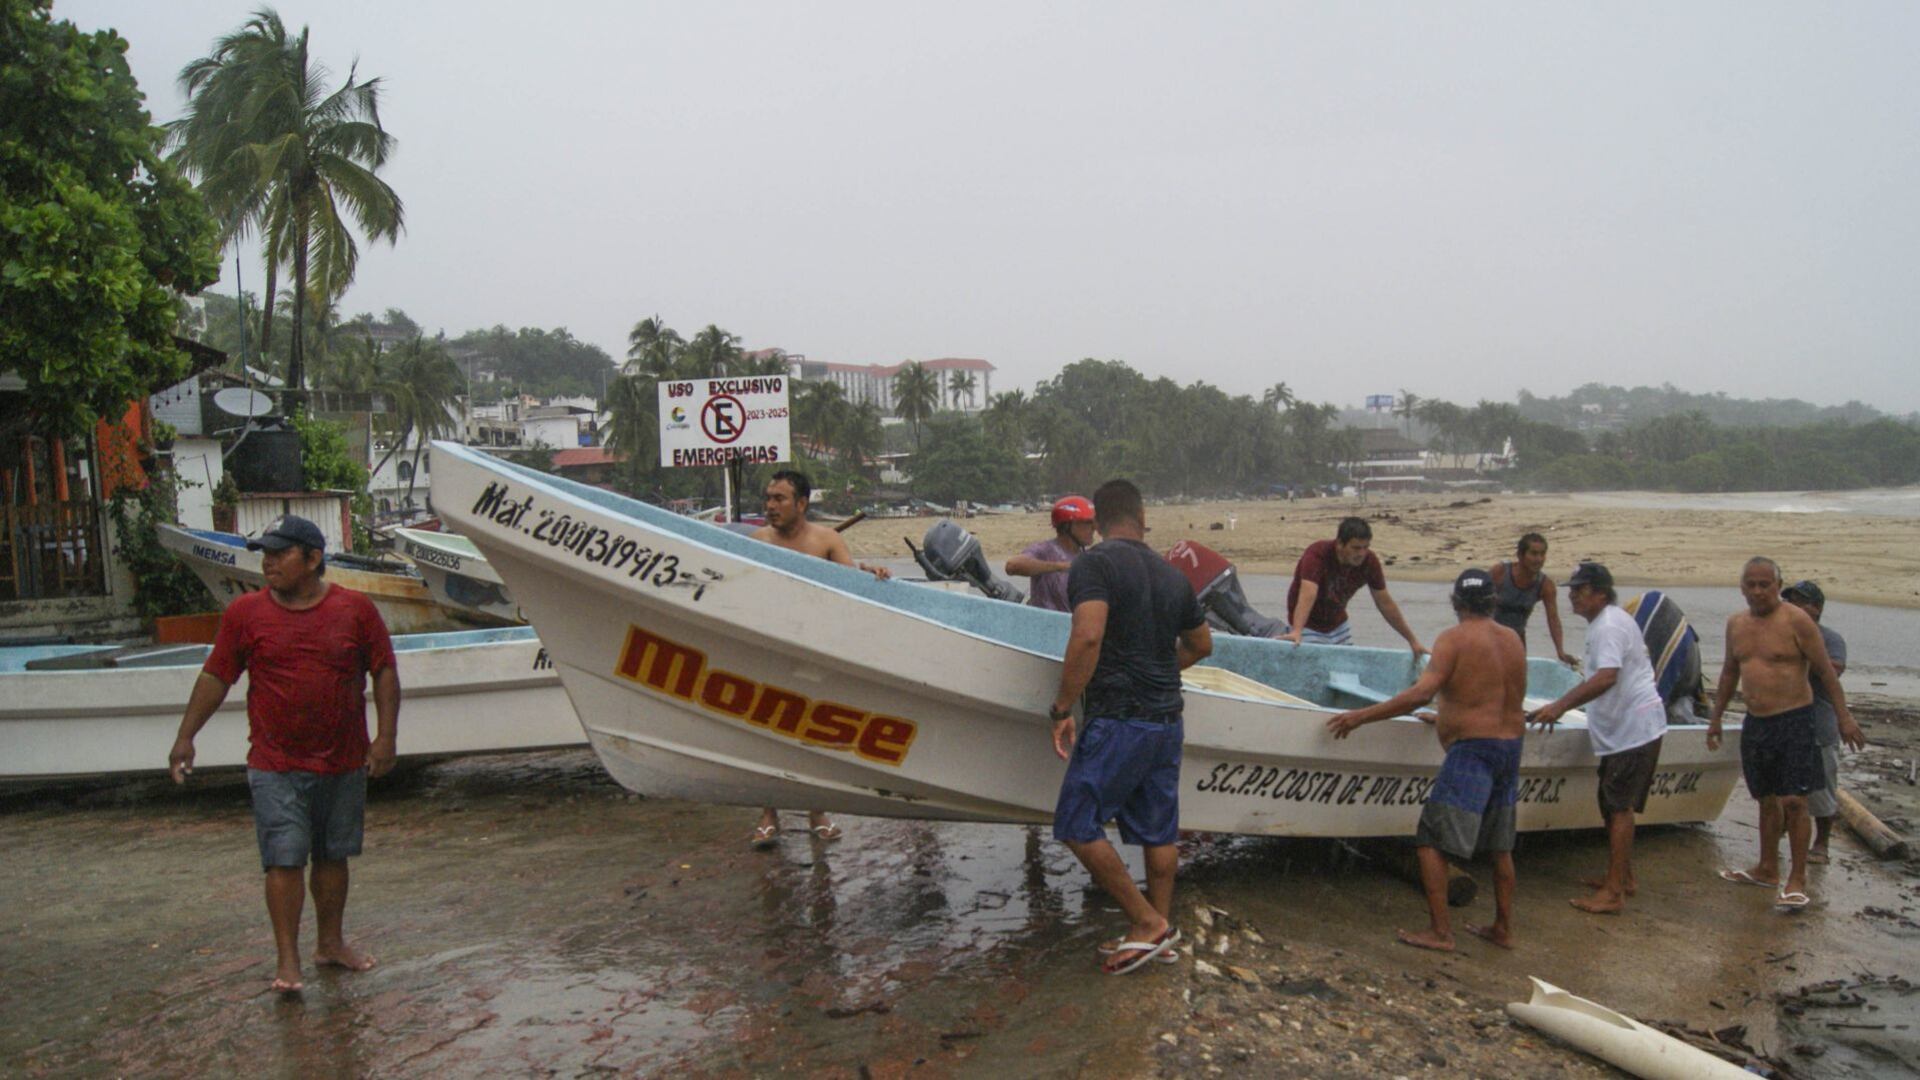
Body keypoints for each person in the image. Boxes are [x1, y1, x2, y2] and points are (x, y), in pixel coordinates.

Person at [167, 515, 400, 994]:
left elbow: (384, 671)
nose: (268, 563)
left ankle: (330, 944)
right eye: (265, 554)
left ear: (313, 559)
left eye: (280, 553)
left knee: (334, 855)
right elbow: (216, 676)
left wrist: (386, 738)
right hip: (275, 763)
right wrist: (186, 735)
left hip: (342, 758)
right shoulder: (245, 614)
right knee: (284, 859)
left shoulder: (357, 609)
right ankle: (288, 960)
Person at [1047, 478, 1212, 974]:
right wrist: (1160, 671)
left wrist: (1061, 708)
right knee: (1159, 832)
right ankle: (1159, 930)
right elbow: (1202, 644)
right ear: (1142, 518)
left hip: (1120, 717)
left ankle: (1145, 922)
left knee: (1075, 822)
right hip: (1166, 719)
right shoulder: (1171, 574)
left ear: (1096, 522)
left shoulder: (1094, 564)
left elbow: (1088, 636)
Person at [1327, 569, 1527, 952]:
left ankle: (1441, 932)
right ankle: (1503, 928)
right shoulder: (1513, 639)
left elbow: (1421, 693)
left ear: (1456, 603)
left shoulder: (1453, 639)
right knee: (1500, 846)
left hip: (1474, 750)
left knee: (1430, 841)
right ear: (1493, 601)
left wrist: (1360, 717)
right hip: (1510, 746)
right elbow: (1498, 695)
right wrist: (1449, 715)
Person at [1709, 558, 1865, 910]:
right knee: (1765, 799)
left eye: (1765, 584)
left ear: (1777, 586)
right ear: (1742, 587)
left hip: (1794, 720)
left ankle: (1796, 879)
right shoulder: (1736, 624)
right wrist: (1716, 718)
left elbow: (1826, 673)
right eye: (1751, 584)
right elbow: (1729, 673)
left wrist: (1844, 718)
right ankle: (1766, 868)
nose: (1758, 591)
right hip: (1756, 722)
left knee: (1795, 802)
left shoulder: (1797, 621)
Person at [748, 469, 889, 849]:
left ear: (802, 503)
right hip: (771, 646)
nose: (771, 506)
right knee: (766, 731)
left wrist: (870, 573)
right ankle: (768, 813)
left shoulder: (827, 540)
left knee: (810, 731)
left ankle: (817, 812)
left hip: (815, 649)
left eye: (779, 499)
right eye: (768, 499)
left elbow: (850, 586)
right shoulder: (759, 540)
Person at [1526, 563, 1667, 915]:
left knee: (1619, 808)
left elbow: (1606, 677)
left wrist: (1559, 706)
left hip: (1634, 729)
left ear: (1601, 593)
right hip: (1624, 731)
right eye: (1572, 589)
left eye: (1581, 589)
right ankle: (1623, 877)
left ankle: (1614, 892)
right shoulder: (1608, 621)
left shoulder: (1608, 626)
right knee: (1610, 804)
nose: (1572, 595)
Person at [1281, 516, 1426, 658]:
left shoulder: (1369, 562)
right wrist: (1297, 630)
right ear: (1340, 544)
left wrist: (1412, 641)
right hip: (1308, 625)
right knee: (1315, 668)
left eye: (1365, 547)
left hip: (1338, 624)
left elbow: (1385, 603)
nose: (1361, 554)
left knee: (1344, 668)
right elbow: (1308, 592)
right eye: (1356, 548)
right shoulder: (1317, 554)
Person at [1781, 580, 1847, 865]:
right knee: (1784, 790)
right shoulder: (1781, 635)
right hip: (1786, 724)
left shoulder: (1830, 639)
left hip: (1820, 726)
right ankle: (1780, 840)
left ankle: (1822, 842)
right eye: (1790, 601)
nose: (1793, 607)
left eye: (1800, 601)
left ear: (1816, 608)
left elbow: (1833, 672)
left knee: (1823, 791)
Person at [1489, 532, 1579, 667]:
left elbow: (1553, 619)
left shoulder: (1545, 585)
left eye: (1542, 554)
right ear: (1520, 555)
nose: (1538, 559)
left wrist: (1560, 651)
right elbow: (1474, 603)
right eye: (1534, 553)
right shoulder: (1500, 572)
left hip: (1516, 642)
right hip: (1489, 639)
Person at [1005, 495, 1097, 613]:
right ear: (1067, 526)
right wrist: (1061, 566)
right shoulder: (1045, 550)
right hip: (1047, 625)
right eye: (1087, 523)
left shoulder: (1087, 556)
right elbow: (1012, 566)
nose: (1093, 528)